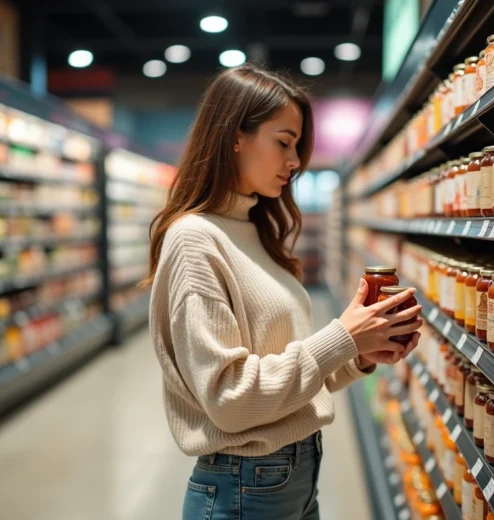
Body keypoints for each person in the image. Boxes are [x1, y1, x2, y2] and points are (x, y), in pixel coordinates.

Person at [143, 64, 423, 520]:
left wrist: (363, 351)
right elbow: (230, 400)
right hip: (244, 487)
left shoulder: (255, 231)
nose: (296, 162)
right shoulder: (195, 240)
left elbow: (292, 374)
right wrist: (342, 337)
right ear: (236, 135)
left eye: (297, 146)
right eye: (284, 142)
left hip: (294, 477)